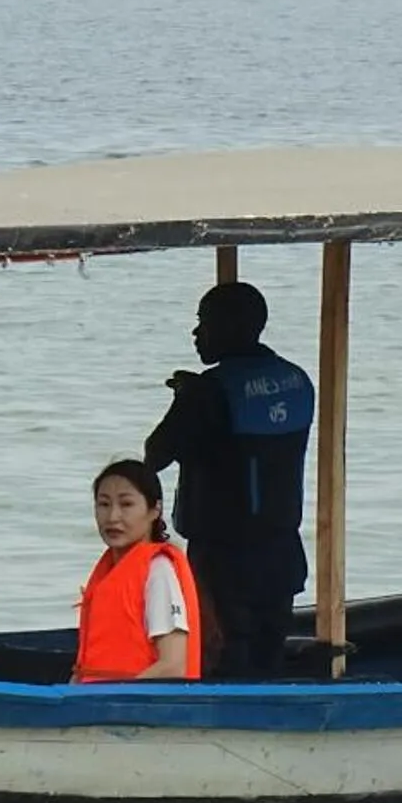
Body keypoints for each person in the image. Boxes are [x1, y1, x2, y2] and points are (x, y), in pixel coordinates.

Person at [144, 280, 315, 679]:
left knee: (223, 660)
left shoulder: (208, 393)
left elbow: (155, 454)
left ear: (229, 326)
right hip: (282, 550)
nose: (196, 333)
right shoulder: (297, 380)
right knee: (268, 657)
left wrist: (185, 396)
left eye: (203, 322)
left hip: (224, 557)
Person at [73, 459, 201, 683]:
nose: (113, 517)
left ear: (154, 510)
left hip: (137, 711)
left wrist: (114, 700)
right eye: (104, 504)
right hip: (95, 704)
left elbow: (173, 666)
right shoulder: (110, 571)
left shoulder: (158, 570)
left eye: (126, 505)